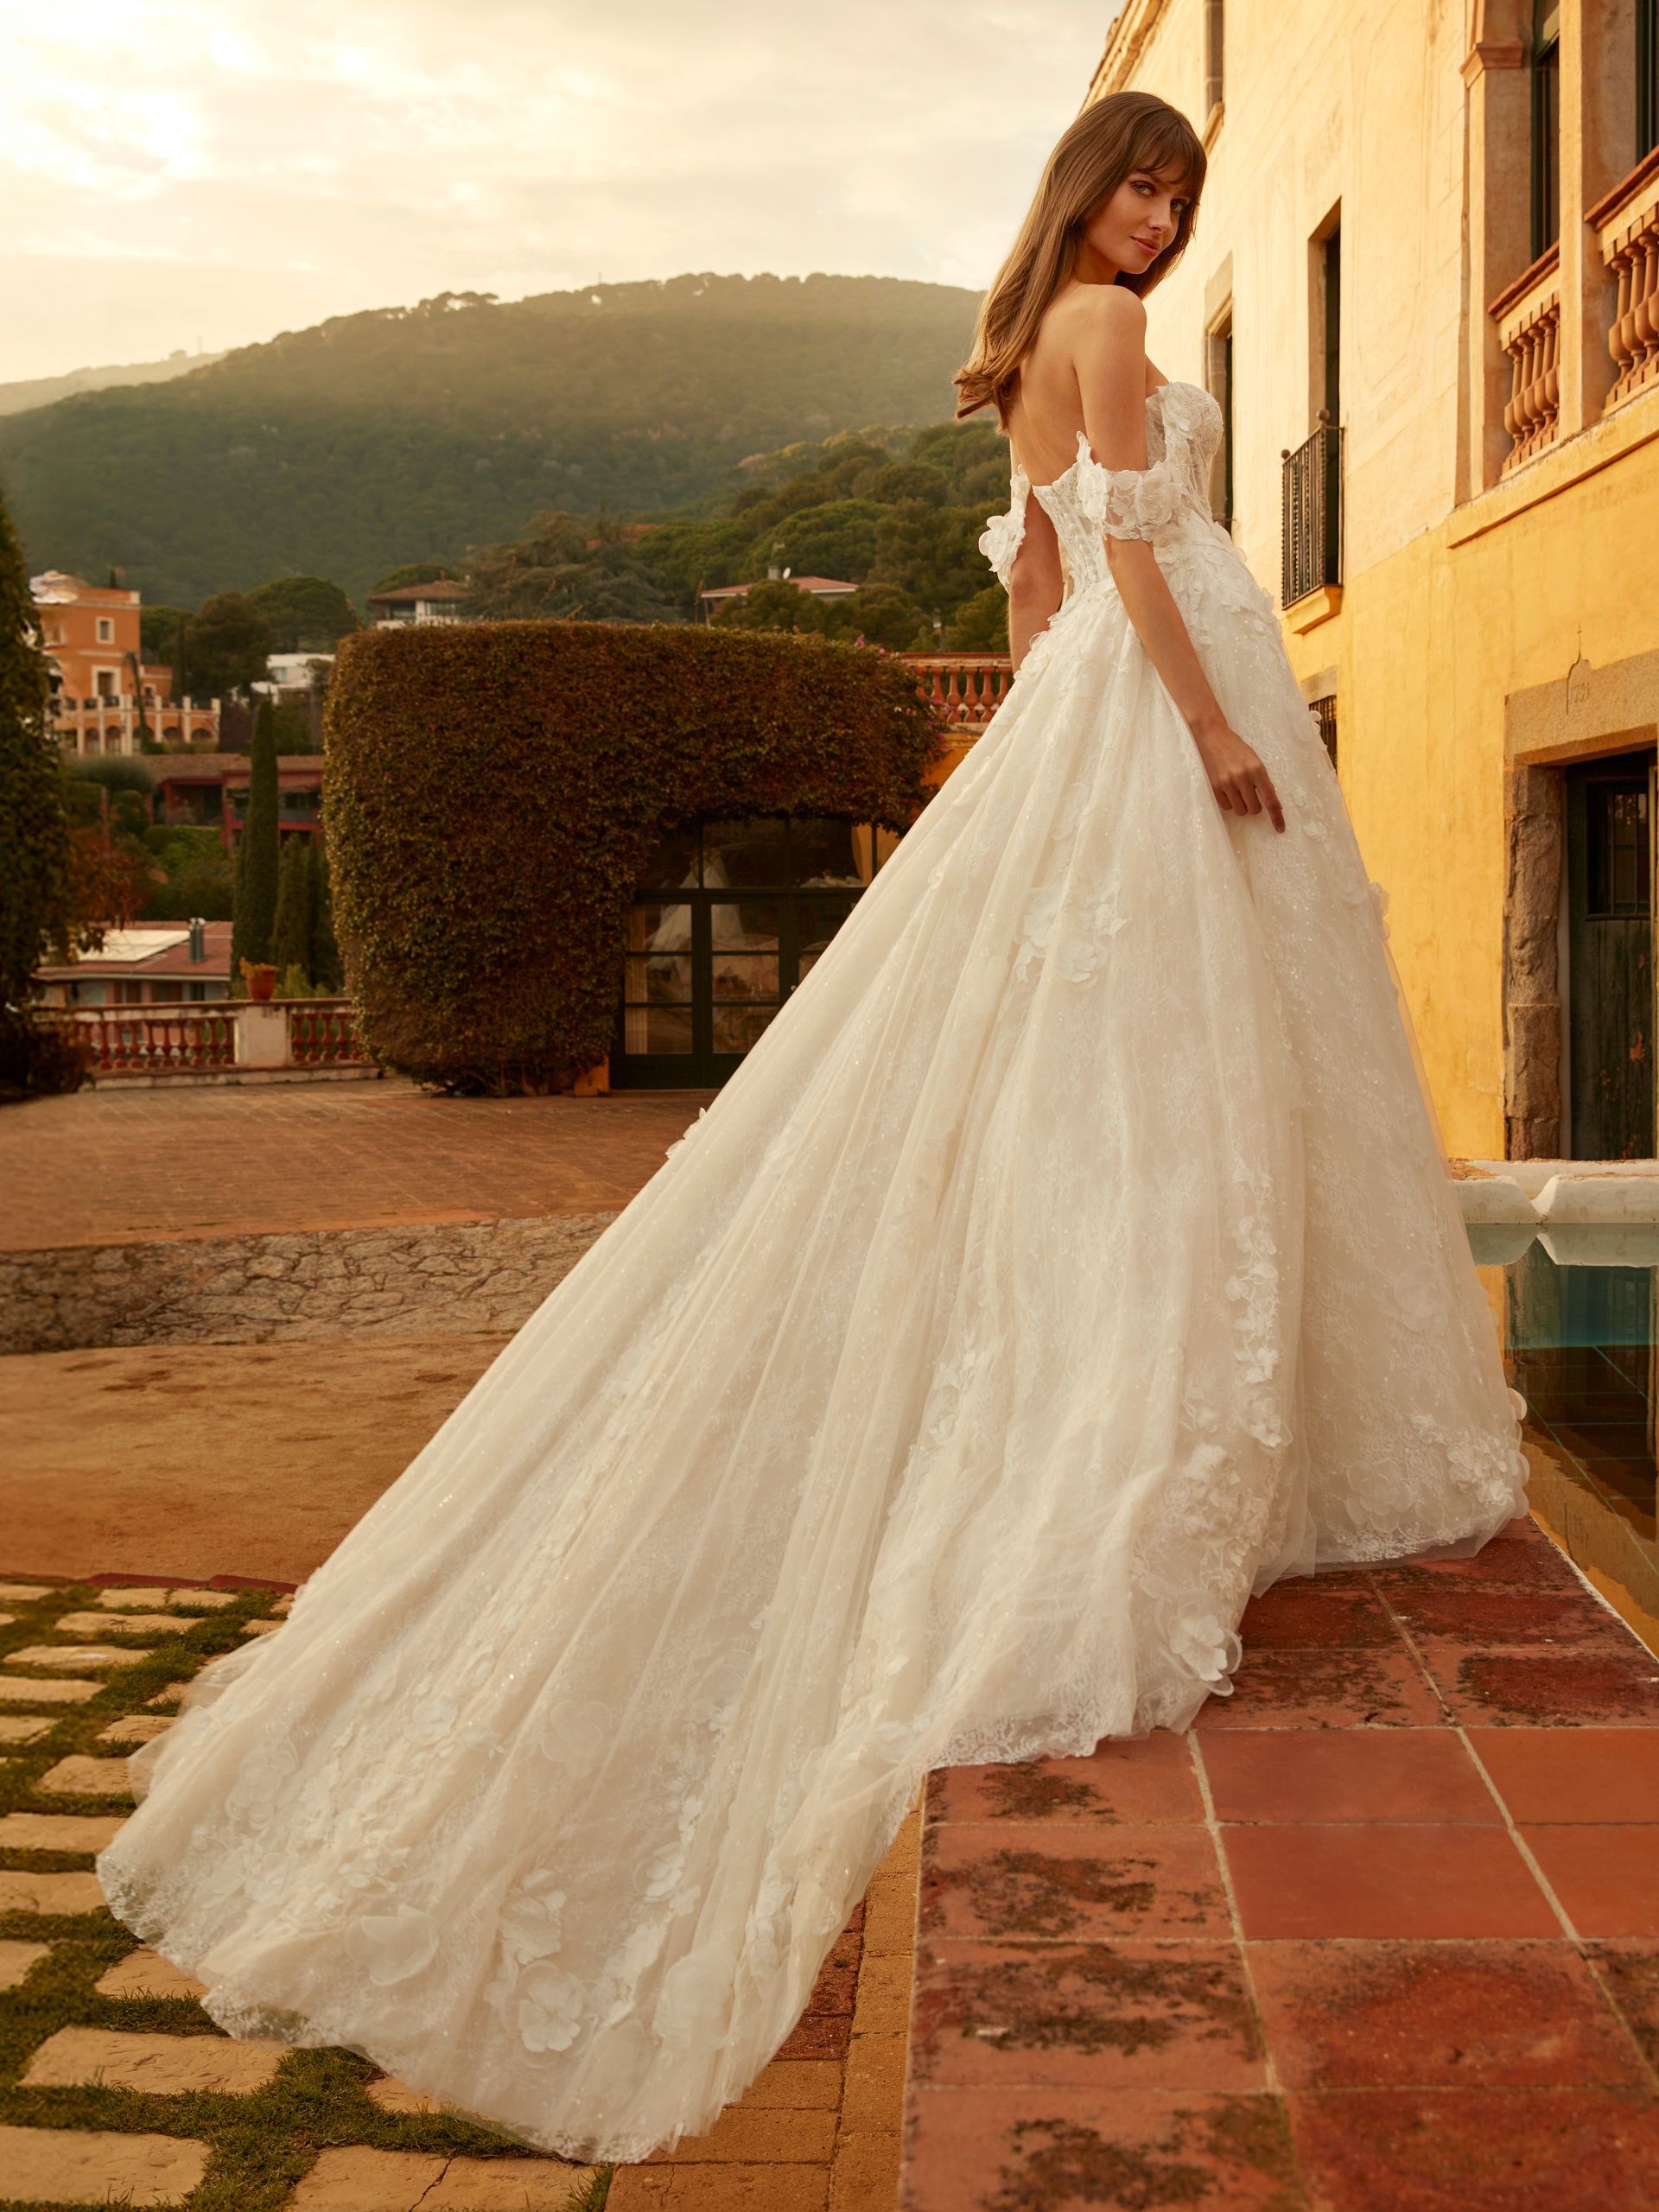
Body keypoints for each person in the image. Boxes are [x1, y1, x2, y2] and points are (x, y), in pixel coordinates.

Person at [97, 89, 1526, 2167]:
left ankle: (1131, 1405)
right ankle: (1130, 1443)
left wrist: (1042, 763)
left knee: (1114, 1094)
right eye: (1143, 186)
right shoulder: (1111, 338)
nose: (1160, 220)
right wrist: (1208, 725)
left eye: (1182, 199)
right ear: (1084, 194)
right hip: (1165, 715)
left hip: (1091, 733)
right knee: (1179, 1092)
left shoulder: (1030, 341)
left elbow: (1033, 591)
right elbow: (1121, 551)